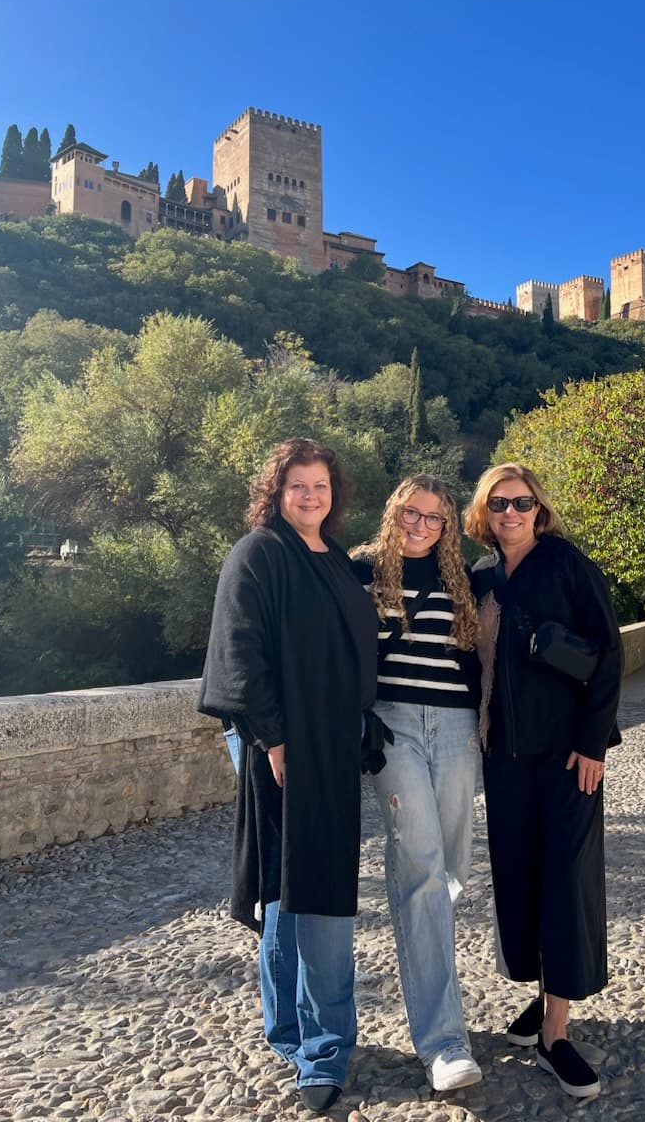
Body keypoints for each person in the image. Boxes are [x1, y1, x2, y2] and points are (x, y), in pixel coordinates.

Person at [198, 438, 379, 1115]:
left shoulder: (332, 559)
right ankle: (324, 1048)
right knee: (312, 888)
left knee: (287, 887)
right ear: (275, 491)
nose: (310, 495)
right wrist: (273, 738)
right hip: (283, 741)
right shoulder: (259, 554)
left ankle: (290, 1030)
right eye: (297, 485)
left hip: (329, 740)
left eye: (321, 486)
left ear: (335, 494)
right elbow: (237, 646)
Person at [464, 462, 622, 1101]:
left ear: (539, 508)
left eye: (522, 503)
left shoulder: (565, 564)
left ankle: (557, 1031)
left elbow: (608, 651)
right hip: (504, 757)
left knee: (565, 882)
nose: (511, 513)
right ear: (483, 511)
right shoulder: (479, 577)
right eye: (499, 503)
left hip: (564, 757)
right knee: (521, 881)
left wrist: (592, 743)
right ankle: (540, 995)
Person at [351, 475, 483, 1092]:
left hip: (456, 727)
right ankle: (443, 1040)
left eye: (436, 518)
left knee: (451, 867)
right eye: (413, 513)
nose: (422, 526)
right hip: (396, 728)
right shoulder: (360, 570)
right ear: (394, 511)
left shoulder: (463, 578)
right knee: (423, 866)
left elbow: (481, 656)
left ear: (448, 526)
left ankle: (426, 941)